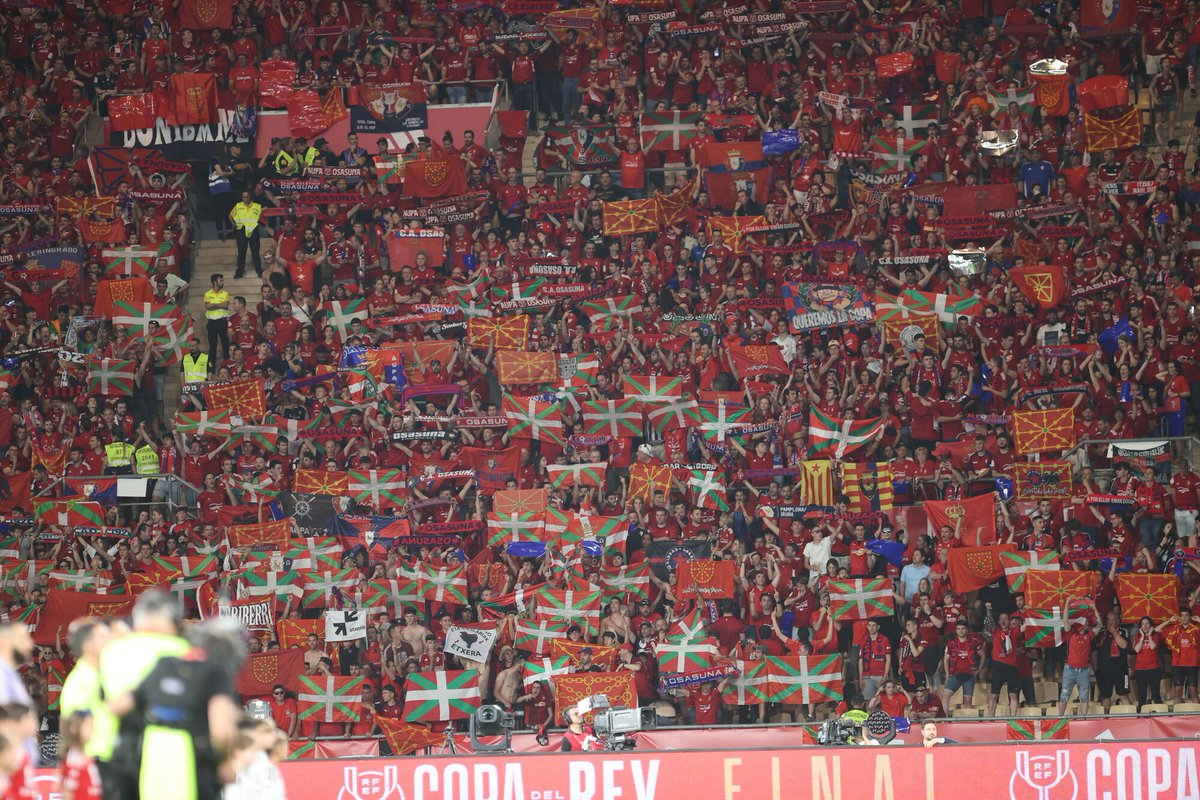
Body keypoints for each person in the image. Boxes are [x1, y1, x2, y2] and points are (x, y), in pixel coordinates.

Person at [95, 592, 190, 800]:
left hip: (117, 749)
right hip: (171, 753)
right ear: (169, 620)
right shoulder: (182, 650)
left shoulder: (112, 652)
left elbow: (105, 698)